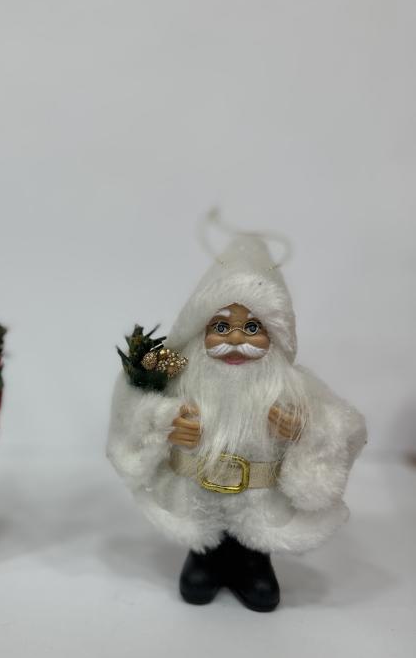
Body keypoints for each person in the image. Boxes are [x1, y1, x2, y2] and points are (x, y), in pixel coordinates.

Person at [107, 234, 366, 612]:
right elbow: (131, 407)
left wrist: (303, 430)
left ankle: (253, 561)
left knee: (255, 552)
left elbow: (346, 428)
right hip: (196, 497)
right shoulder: (179, 375)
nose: (235, 340)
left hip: (260, 499)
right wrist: (162, 421)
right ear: (201, 329)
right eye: (222, 327)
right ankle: (204, 557)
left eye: (252, 328)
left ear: (274, 334)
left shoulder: (293, 386)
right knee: (202, 545)